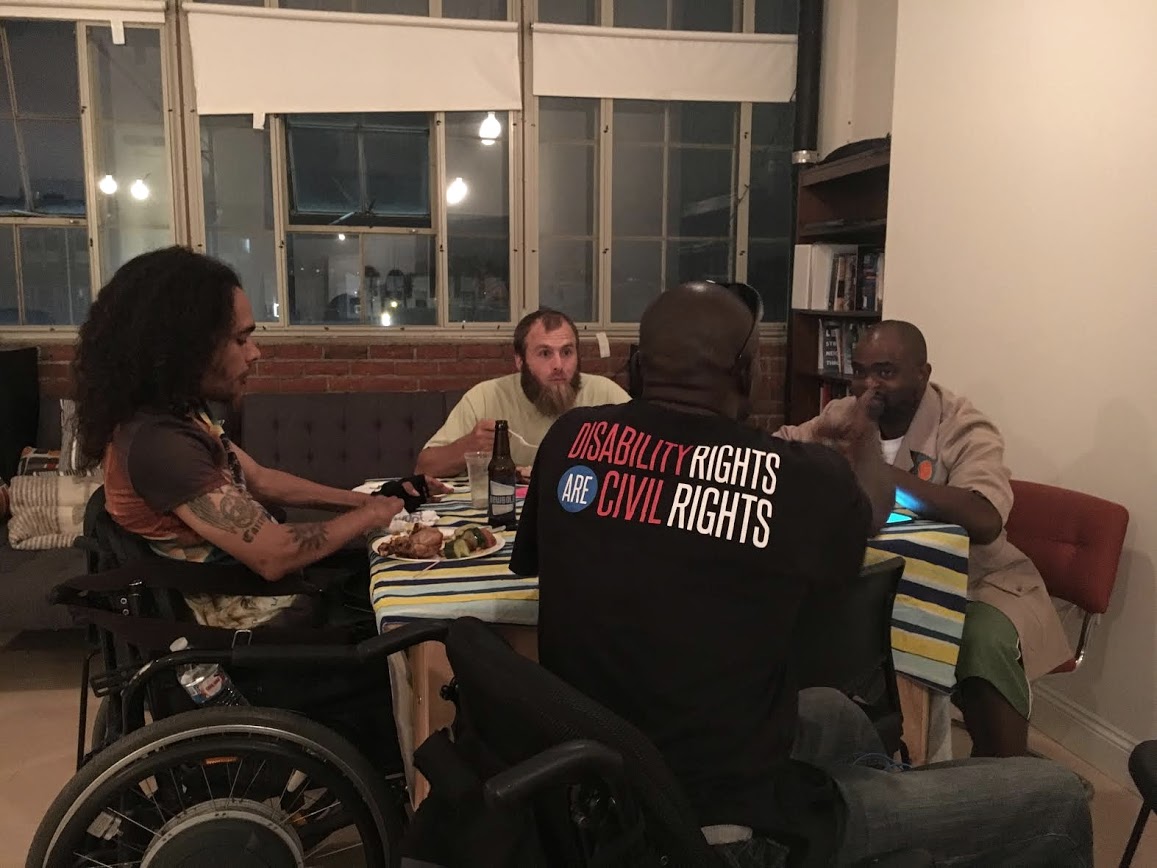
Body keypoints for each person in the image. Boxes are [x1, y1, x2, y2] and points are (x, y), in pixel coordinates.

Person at [511, 283, 1091, 866]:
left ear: (636, 366)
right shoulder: (794, 479)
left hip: (598, 785)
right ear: (749, 372)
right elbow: (874, 502)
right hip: (716, 828)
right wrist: (863, 442)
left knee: (835, 713)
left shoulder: (569, 438)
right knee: (1057, 796)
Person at [73, 246, 446, 632]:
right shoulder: (160, 444)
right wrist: (368, 516)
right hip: (250, 636)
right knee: (428, 616)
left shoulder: (177, 415)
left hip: (263, 599)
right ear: (185, 345)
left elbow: (261, 480)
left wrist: (369, 501)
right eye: (240, 340)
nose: (255, 353)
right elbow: (275, 555)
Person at [776, 320, 1070, 759]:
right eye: (859, 371)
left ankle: (1008, 774)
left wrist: (875, 470)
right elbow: (778, 449)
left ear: (922, 373)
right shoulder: (843, 413)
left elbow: (986, 518)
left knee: (981, 642)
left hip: (976, 582)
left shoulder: (964, 426)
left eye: (885, 372)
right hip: (884, 578)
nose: (868, 386)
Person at [415, 308, 629, 477]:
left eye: (567, 352)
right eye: (545, 353)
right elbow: (424, 467)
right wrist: (469, 447)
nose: (558, 365)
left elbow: (655, 451)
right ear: (520, 361)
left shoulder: (605, 395)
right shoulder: (485, 397)